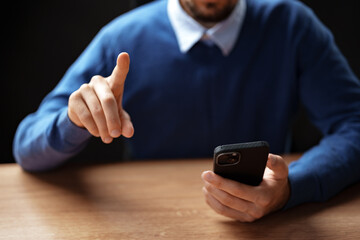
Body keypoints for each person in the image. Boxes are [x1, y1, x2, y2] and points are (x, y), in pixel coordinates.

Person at [13, 0, 360, 222]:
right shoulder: (122, 36)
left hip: (269, 223)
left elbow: (354, 124)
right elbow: (27, 146)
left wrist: (291, 188)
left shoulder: (292, 25)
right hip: (148, 222)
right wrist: (74, 120)